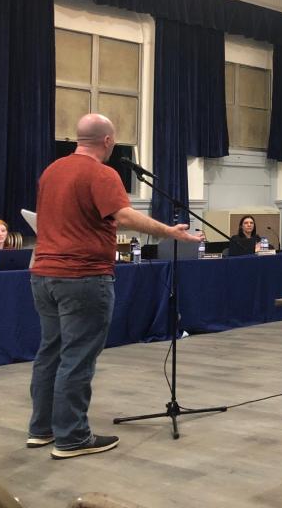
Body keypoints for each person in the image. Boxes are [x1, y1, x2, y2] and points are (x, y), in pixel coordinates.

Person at [28, 113, 202, 460]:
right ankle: (72, 437)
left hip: (43, 275)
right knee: (77, 358)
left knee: (50, 352)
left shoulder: (51, 171)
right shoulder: (101, 173)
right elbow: (123, 216)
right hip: (83, 277)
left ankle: (42, 430)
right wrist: (170, 231)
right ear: (108, 141)